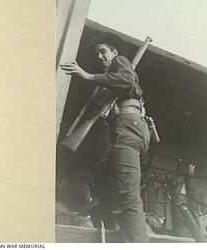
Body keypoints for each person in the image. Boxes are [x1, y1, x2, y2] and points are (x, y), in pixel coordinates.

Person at [61, 32, 150, 242]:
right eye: (97, 53)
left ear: (115, 52)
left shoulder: (120, 62)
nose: (100, 56)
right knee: (107, 177)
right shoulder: (109, 84)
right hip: (128, 129)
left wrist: (88, 75)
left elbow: (127, 80)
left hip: (128, 128)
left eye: (103, 51)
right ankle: (104, 217)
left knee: (129, 199)